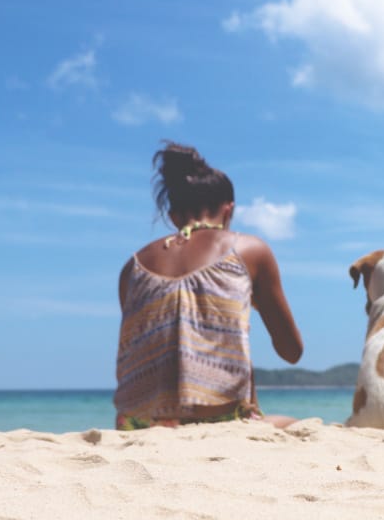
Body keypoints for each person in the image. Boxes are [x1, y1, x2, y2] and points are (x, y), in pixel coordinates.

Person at [114, 141, 304, 429]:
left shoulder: (132, 267)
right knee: (295, 425)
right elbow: (291, 351)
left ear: (173, 216)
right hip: (220, 421)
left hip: (136, 425)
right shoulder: (249, 250)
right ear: (228, 210)